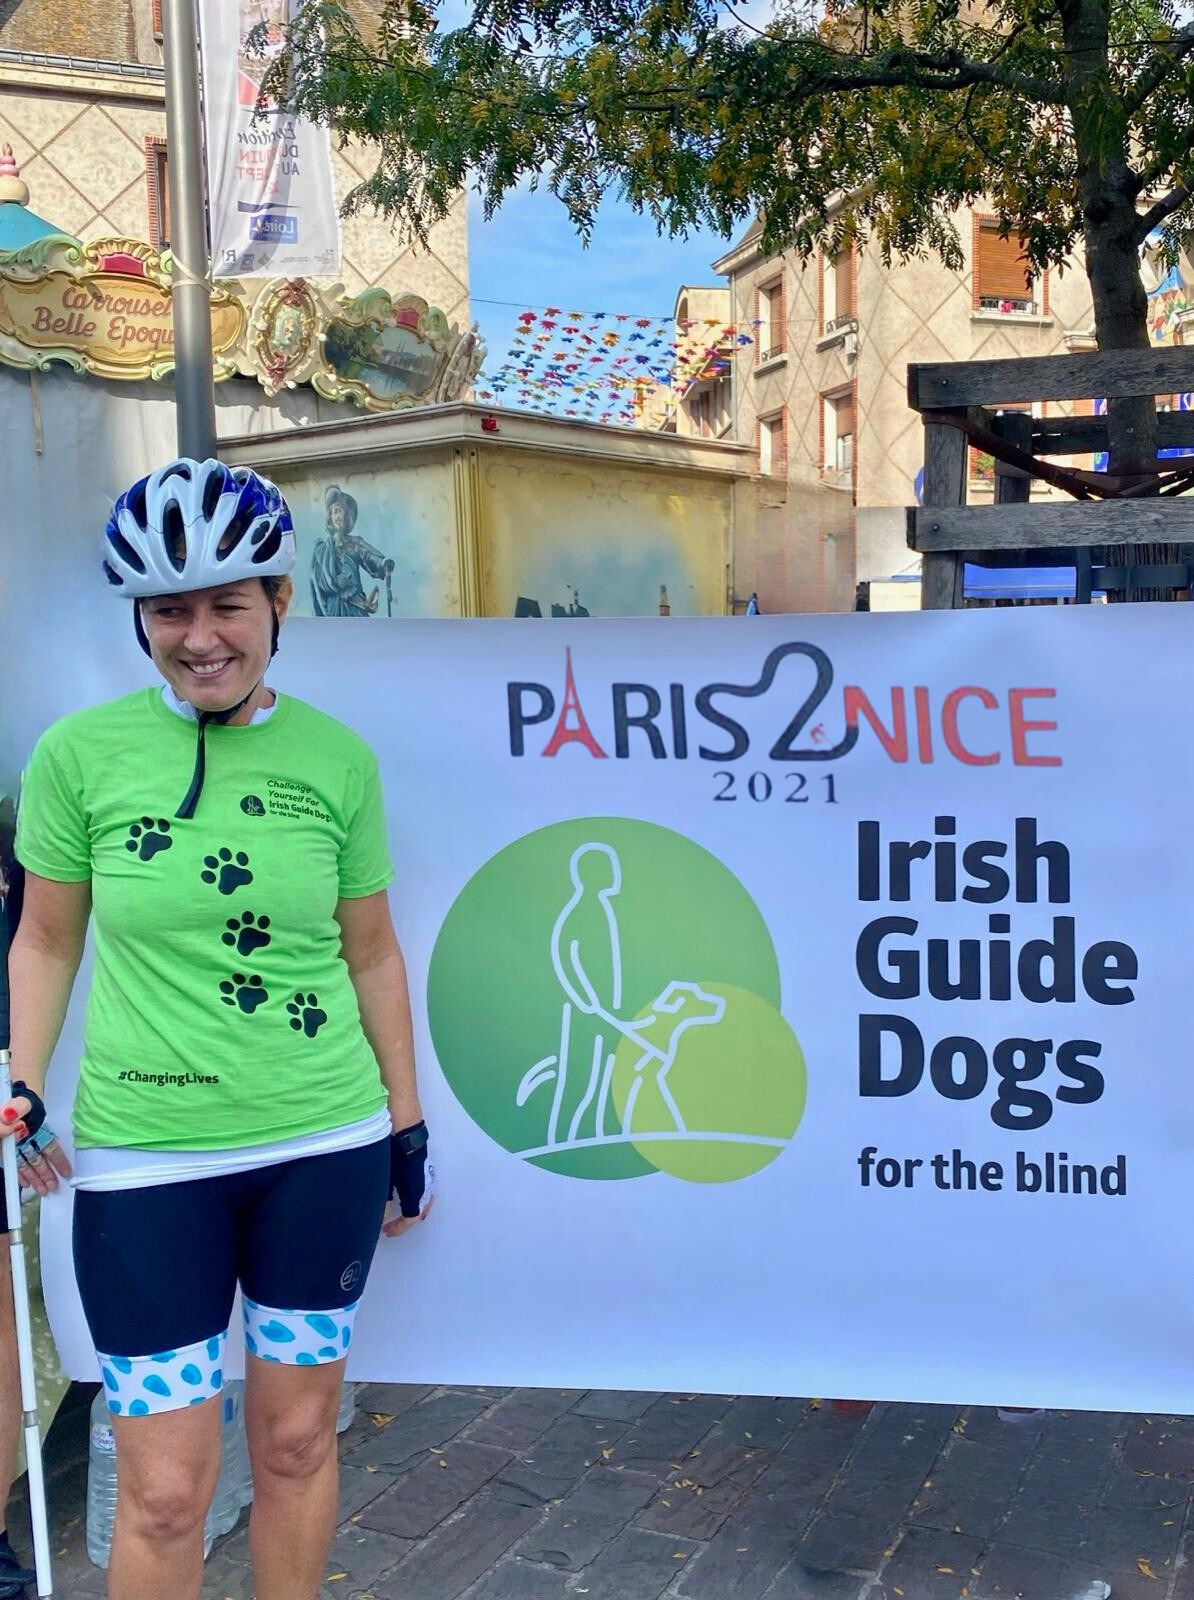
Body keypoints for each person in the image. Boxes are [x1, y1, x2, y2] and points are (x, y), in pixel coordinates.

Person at [2, 457, 433, 1600]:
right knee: (161, 1491)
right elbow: (44, 942)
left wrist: (406, 1120)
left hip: (319, 1150)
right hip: (148, 1168)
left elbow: (373, 951)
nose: (199, 637)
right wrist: (23, 1076)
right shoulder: (80, 756)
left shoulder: (336, 759)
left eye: (226, 604)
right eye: (169, 609)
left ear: (279, 602)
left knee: (294, 1445)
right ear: (140, 617)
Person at [310, 486, 394, 618]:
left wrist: (383, 563)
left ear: (346, 516)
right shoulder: (322, 550)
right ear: (330, 517)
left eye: (340, 511)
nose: (337, 516)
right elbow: (317, 581)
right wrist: (335, 582)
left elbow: (369, 556)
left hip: (356, 609)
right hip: (333, 611)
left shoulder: (355, 543)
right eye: (334, 512)